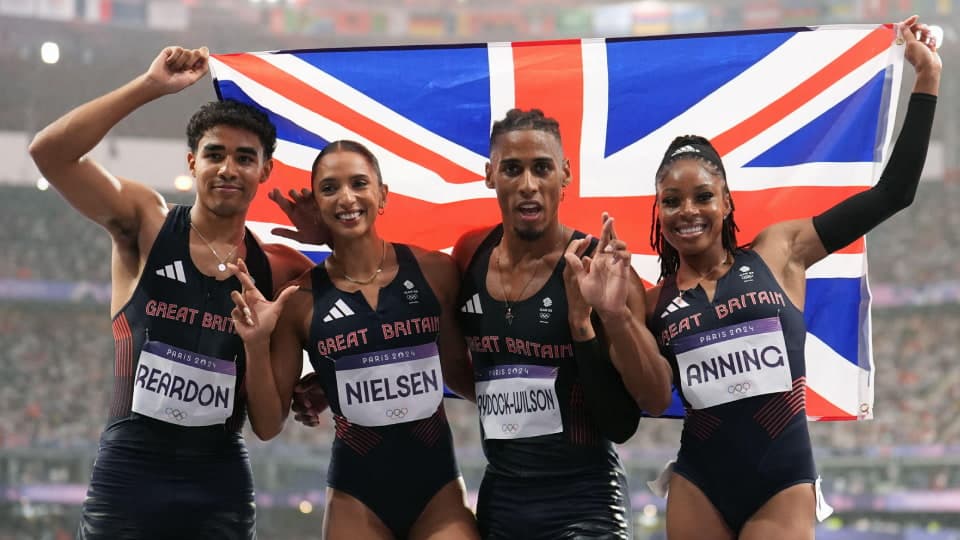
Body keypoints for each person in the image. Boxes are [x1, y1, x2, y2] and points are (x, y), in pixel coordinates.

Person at [644, 16, 940, 540]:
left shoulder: (780, 251)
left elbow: (894, 193)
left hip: (779, 481)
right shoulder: (651, 302)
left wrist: (928, 81)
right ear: (659, 212)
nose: (687, 210)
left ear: (727, 201)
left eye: (702, 196)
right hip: (699, 480)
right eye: (671, 201)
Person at [28, 46, 313, 539]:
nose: (228, 168)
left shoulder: (281, 270)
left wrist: (264, 348)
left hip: (219, 485)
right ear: (192, 161)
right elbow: (48, 152)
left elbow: (268, 425)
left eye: (245, 158)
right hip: (128, 476)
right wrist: (150, 86)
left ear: (265, 171)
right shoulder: (146, 224)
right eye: (215, 154)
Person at [228, 140, 480, 540]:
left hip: (439, 495)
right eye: (330, 188)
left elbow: (460, 375)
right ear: (318, 203)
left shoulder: (436, 272)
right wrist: (256, 344)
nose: (346, 197)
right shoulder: (300, 300)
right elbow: (267, 424)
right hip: (356, 500)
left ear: (382, 195)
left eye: (359, 183)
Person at [452, 108, 674, 539]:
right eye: (512, 169)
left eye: (542, 168)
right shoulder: (469, 253)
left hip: (585, 499)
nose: (528, 185)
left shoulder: (600, 266)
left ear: (565, 174)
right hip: (502, 496)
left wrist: (611, 315)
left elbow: (656, 397)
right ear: (490, 175)